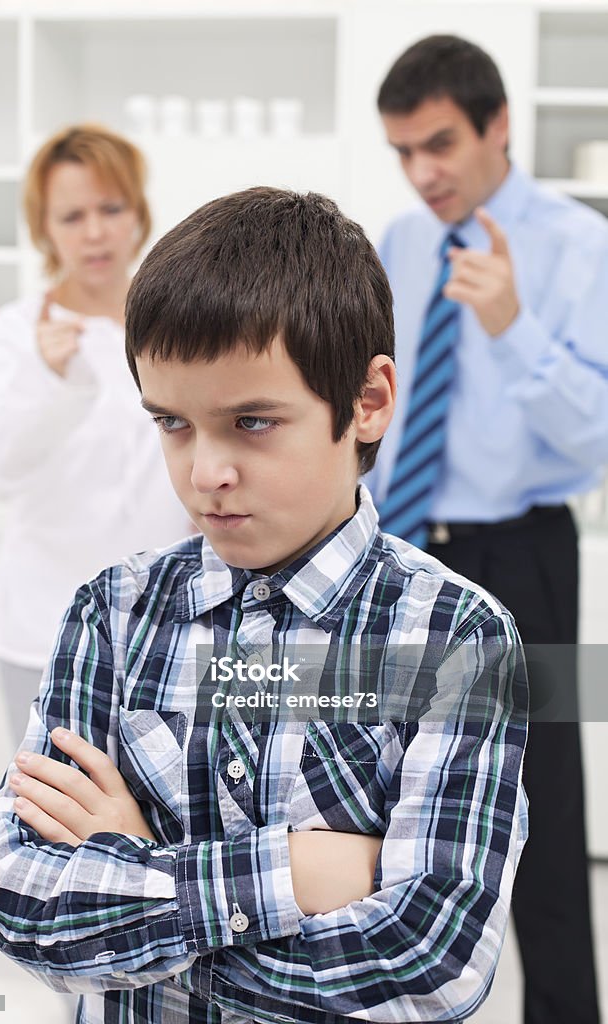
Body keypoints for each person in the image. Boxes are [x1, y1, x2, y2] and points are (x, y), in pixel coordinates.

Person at [0, 186, 528, 1024]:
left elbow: (427, 963)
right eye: (172, 423)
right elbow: (21, 901)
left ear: (367, 402)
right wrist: (304, 873)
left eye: (253, 422)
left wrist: (137, 870)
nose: (205, 474)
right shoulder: (111, 615)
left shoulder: (456, 638)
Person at [366, 34, 608, 1024]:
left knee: (541, 812)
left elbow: (593, 439)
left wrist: (510, 323)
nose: (422, 173)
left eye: (438, 144)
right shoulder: (399, 239)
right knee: (386, 794)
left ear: (496, 126)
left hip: (519, 552)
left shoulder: (573, 245)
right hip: (402, 543)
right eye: (402, 152)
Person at [0, 124, 188, 745]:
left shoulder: (175, 326)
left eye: (110, 209)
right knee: (49, 814)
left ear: (137, 214)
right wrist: (54, 382)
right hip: (44, 621)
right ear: (45, 230)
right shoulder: (18, 331)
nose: (94, 232)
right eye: (71, 216)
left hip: (161, 619)